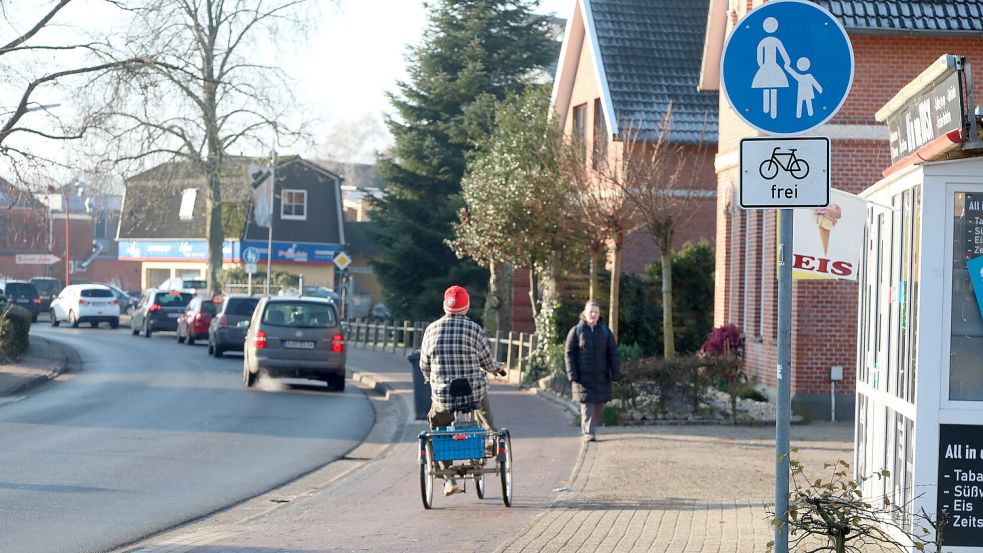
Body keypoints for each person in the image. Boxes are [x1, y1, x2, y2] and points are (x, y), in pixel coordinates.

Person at [419, 285, 505, 496]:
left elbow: (424, 364)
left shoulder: (431, 329)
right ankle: (491, 440)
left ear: (445, 306)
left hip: (444, 395)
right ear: (466, 306)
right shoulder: (474, 329)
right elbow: (486, 361)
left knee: (438, 424)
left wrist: (429, 377)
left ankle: (448, 478)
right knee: (483, 408)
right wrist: (497, 369)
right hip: (472, 393)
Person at [564, 300, 620, 442]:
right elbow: (569, 353)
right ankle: (588, 433)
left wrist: (615, 372)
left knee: (598, 405)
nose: (593, 314)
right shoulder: (576, 331)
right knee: (587, 404)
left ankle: (592, 427)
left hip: (601, 376)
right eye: (591, 312)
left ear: (599, 314)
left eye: (596, 312)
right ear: (585, 313)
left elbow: (613, 352)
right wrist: (572, 374)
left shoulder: (605, 331)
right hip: (583, 377)